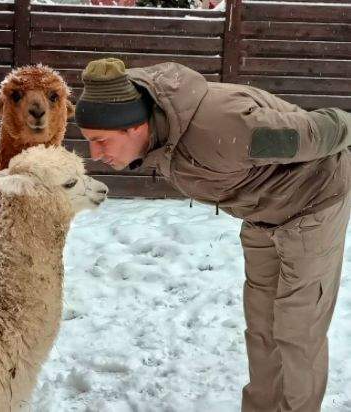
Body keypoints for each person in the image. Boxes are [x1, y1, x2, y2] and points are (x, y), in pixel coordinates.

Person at [75, 57, 350, 412]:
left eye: (100, 141)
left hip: (314, 203)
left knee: (298, 328)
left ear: (133, 127)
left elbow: (319, 131)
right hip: (262, 213)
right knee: (262, 326)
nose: (94, 155)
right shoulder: (160, 133)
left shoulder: (224, 129)